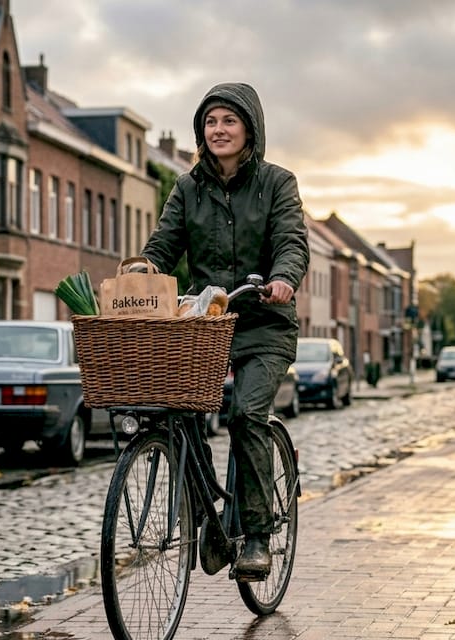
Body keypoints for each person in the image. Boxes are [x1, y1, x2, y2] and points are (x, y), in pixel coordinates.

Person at [141, 82, 309, 580]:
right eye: (210, 122)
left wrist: (284, 278)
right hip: (208, 326)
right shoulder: (187, 187)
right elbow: (163, 245)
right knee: (179, 413)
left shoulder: (277, 183)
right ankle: (211, 526)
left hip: (264, 324)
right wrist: (144, 273)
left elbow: (291, 240)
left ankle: (256, 536)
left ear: (250, 129)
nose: (218, 130)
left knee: (246, 413)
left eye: (228, 121)